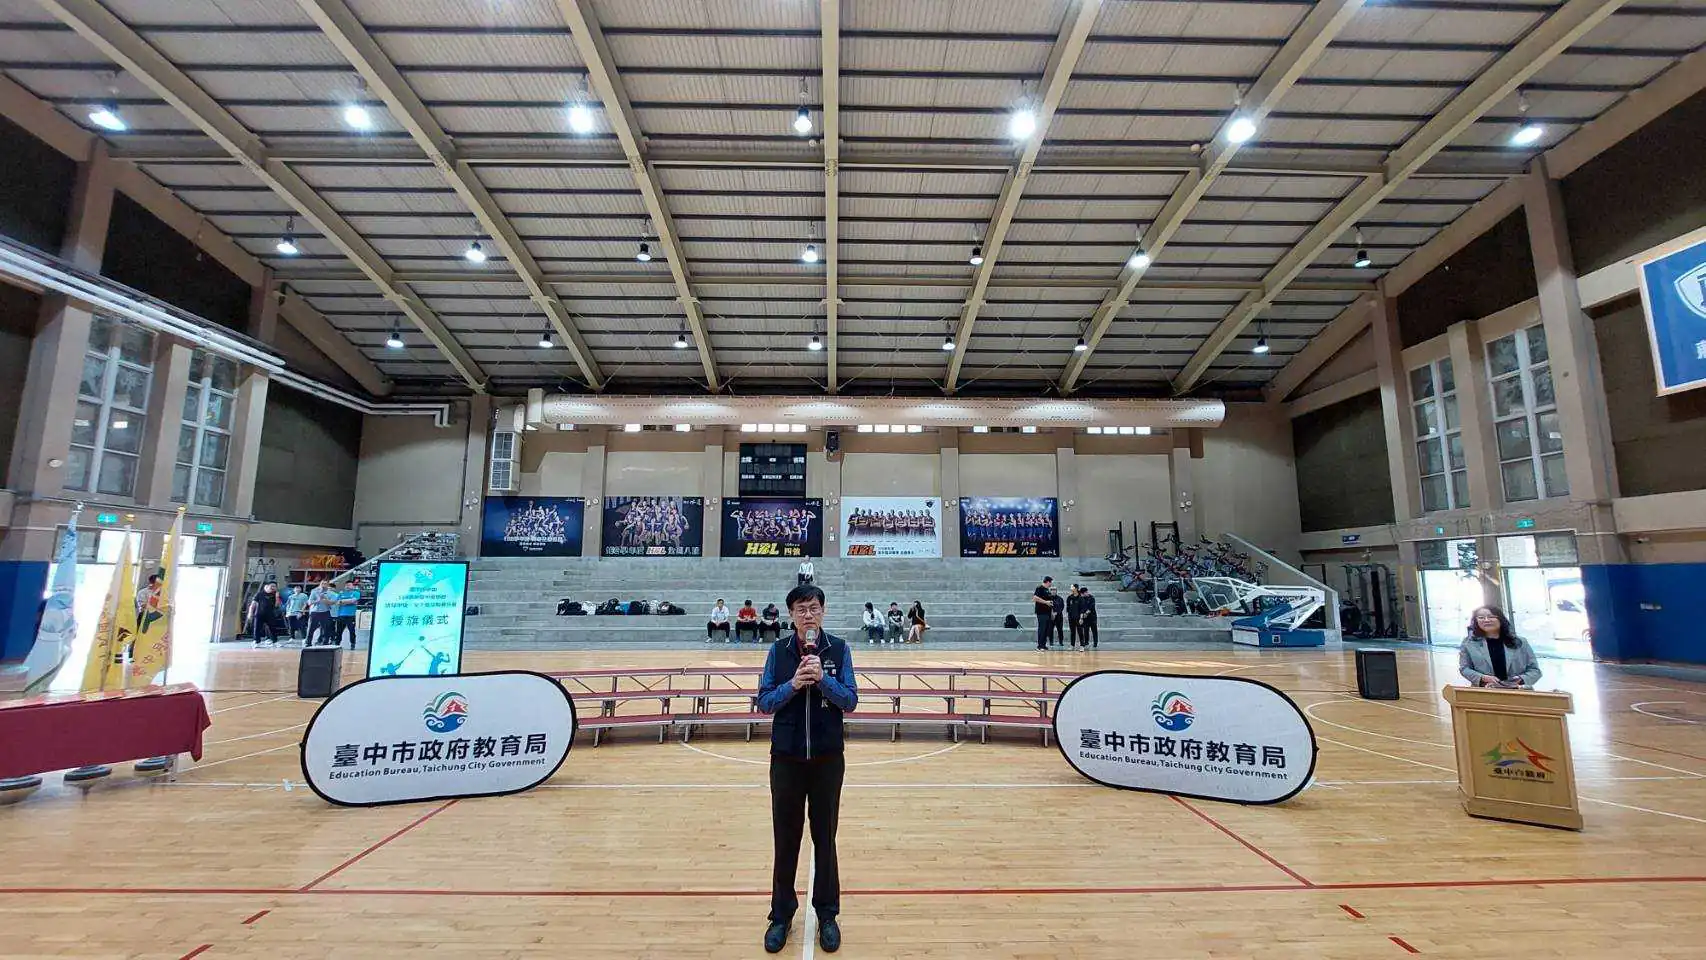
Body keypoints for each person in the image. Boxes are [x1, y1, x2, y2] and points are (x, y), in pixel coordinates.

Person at [756, 583, 857, 954]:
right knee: (786, 840)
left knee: (825, 839)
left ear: (823, 611)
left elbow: (850, 700)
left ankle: (827, 915)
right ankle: (781, 916)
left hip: (828, 761)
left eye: (814, 608)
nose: (808, 615)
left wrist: (824, 680)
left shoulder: (839, 649)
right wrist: (794, 684)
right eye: (801, 609)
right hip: (786, 760)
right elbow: (764, 701)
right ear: (791, 615)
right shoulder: (778, 651)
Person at [1459, 606, 1541, 688]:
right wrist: (1482, 677)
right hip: (1484, 691)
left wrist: (1521, 679)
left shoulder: (1520, 642)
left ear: (1501, 619)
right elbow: (1465, 669)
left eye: (1491, 617)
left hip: (1518, 691)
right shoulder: (1469, 643)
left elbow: (1535, 670)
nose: (1486, 620)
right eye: (1481, 617)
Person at [248, 582, 282, 647]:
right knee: (257, 628)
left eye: (275, 586)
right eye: (272, 586)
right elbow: (253, 604)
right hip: (259, 614)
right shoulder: (259, 594)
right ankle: (257, 641)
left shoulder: (275, 594)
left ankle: (275, 641)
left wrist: (277, 597)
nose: (273, 588)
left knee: (272, 628)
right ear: (267, 586)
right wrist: (250, 613)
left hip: (270, 614)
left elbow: (276, 605)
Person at [333, 582, 361, 649]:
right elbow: (337, 602)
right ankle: (337, 644)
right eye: (346, 585)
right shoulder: (341, 593)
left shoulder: (356, 593)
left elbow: (353, 601)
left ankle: (352, 644)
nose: (347, 586)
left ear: (353, 586)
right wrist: (349, 601)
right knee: (339, 631)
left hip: (351, 615)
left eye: (349, 585)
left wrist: (342, 601)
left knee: (352, 631)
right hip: (341, 615)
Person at [306, 581, 335, 646]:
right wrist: (318, 600)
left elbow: (332, 603)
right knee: (311, 628)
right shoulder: (314, 591)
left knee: (326, 628)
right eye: (322, 584)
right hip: (315, 612)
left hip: (325, 612)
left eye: (325, 584)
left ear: (327, 585)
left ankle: (325, 643)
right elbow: (309, 602)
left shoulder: (330, 593)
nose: (323, 585)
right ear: (320, 584)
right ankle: (308, 642)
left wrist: (325, 599)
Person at [1032, 576, 1054, 650]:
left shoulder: (1047, 590)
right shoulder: (1040, 588)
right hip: (1041, 612)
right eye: (1050, 582)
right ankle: (1040, 645)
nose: (1051, 584)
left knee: (1046, 629)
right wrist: (1046, 602)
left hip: (1047, 612)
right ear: (1047, 582)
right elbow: (1035, 598)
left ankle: (1043, 645)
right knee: (1042, 628)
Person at [1077, 585, 1099, 649]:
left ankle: (1095, 643)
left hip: (1092, 617)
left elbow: (1091, 607)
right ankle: (1086, 642)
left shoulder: (1091, 598)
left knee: (1094, 630)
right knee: (1086, 630)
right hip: (1085, 618)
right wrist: (1082, 616)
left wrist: (1086, 613)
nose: (1082, 595)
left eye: (1084, 593)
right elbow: (1081, 608)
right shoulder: (1081, 599)